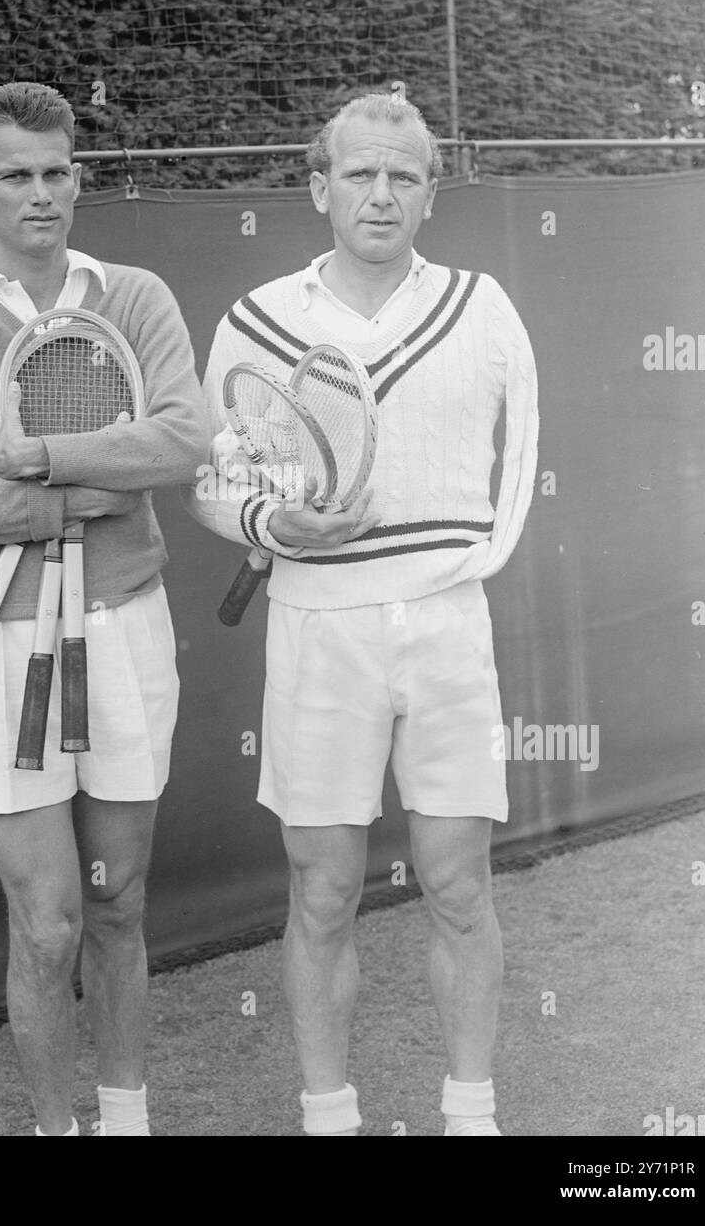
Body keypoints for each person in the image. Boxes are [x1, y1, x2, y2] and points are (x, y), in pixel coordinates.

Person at [185, 93, 538, 1136]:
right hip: (315, 630)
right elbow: (215, 483)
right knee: (323, 886)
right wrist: (282, 528)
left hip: (446, 628)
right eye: (359, 174)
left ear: (431, 193)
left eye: (404, 176)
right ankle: (328, 1119)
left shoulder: (484, 307)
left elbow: (518, 469)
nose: (380, 194)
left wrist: (452, 570)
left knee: (458, 880)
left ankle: (471, 1118)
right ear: (318, 188)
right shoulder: (254, 319)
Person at [0, 81, 207, 1137]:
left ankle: (126, 1122)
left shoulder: (140, 295)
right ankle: (55, 1131)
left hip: (124, 623)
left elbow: (181, 440)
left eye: (57, 172)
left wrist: (32, 459)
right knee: (50, 920)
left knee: (117, 900)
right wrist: (91, 490)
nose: (40, 194)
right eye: (15, 175)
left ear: (79, 176)